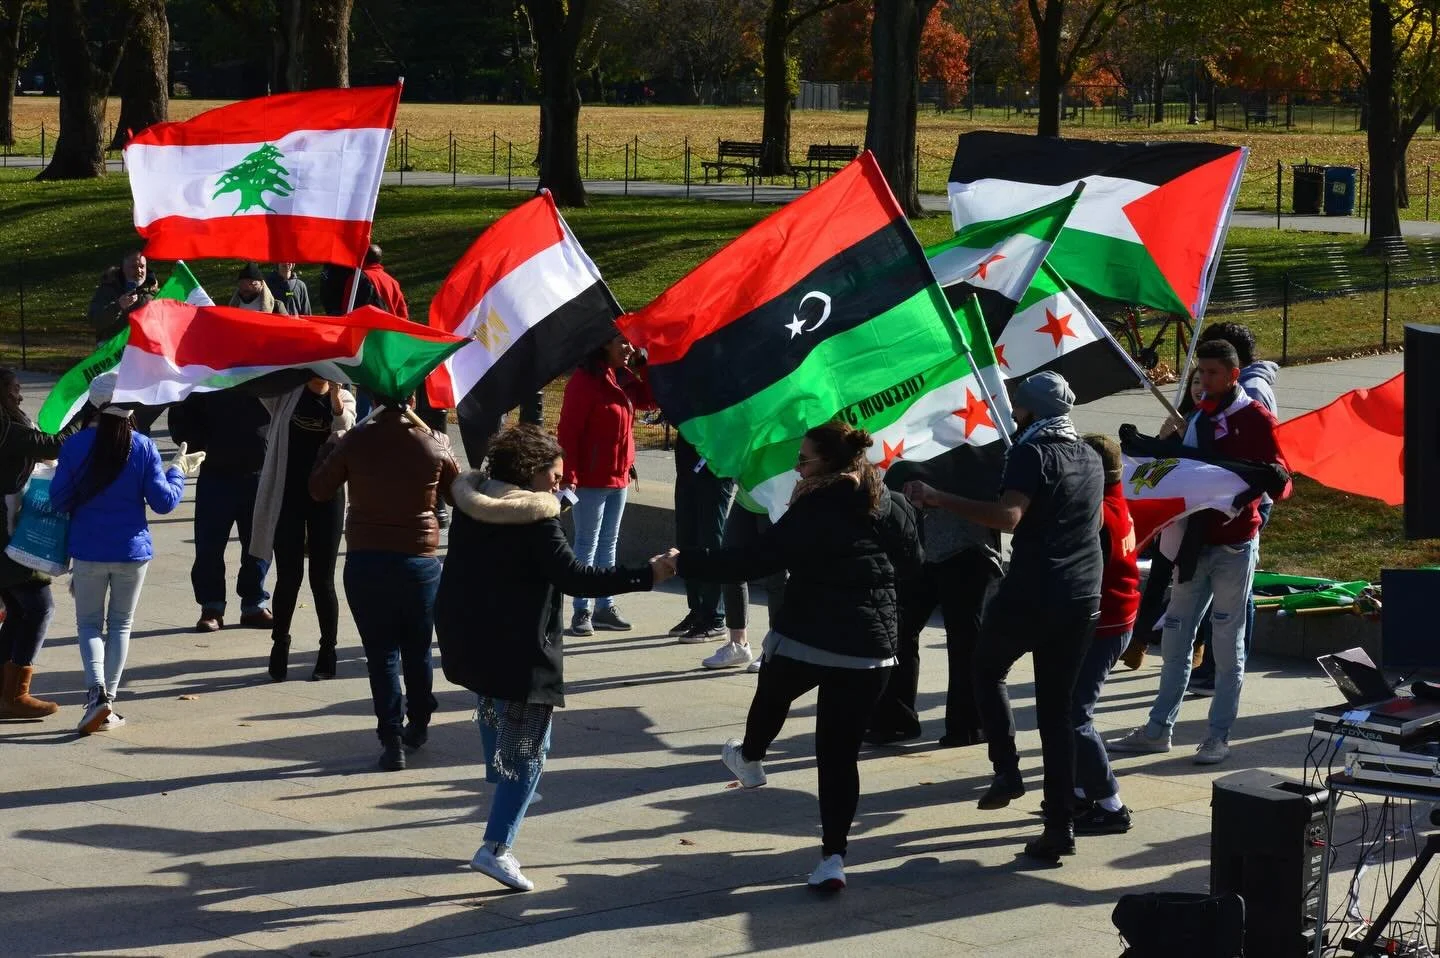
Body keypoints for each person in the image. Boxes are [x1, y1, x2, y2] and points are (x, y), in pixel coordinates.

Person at [671, 421, 922, 891]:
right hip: (871, 649)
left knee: (772, 690)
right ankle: (833, 858)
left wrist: (684, 561)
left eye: (803, 459)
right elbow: (913, 562)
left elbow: (755, 560)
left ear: (826, 463)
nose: (796, 466)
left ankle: (750, 756)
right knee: (838, 755)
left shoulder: (814, 505)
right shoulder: (888, 499)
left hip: (812, 633)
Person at [436, 424, 671, 891]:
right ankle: (497, 847)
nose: (560, 485)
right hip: (520, 646)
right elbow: (577, 577)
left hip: (471, 634)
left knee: (491, 709)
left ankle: (504, 784)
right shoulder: (536, 521)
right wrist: (647, 574)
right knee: (531, 751)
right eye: (556, 476)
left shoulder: (473, 504)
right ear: (532, 473)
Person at [904, 370, 1103, 862]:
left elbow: (1009, 517)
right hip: (1083, 595)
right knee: (1057, 714)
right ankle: (1059, 827)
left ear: (1033, 410)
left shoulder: (1031, 452)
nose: (1013, 411)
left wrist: (937, 497)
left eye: (1018, 405)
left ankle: (1008, 769)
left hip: (1035, 589)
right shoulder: (1090, 455)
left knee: (986, 668)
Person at [1108, 340, 1287, 766]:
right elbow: (1175, 473)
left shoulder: (1254, 417)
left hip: (1233, 547)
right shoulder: (1195, 418)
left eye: (1210, 374)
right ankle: (1158, 729)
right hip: (1190, 545)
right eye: (1198, 374)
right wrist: (1159, 445)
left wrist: (1257, 485)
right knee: (1174, 642)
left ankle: (1217, 735)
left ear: (1232, 375)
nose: (1202, 382)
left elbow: (1282, 480)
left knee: (1227, 646)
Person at [310, 398, 459, 771]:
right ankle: (420, 717)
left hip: (366, 558)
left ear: (373, 400)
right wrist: (444, 450)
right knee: (418, 647)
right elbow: (458, 495)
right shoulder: (433, 439)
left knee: (381, 656)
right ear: (412, 400)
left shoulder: (355, 440)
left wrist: (331, 446)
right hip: (419, 559)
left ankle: (391, 739)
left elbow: (318, 489)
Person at [51, 373, 203, 734]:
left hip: (88, 550)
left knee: (88, 625)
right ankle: (109, 702)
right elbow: (164, 502)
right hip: (132, 551)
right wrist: (178, 471)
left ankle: (96, 694)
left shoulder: (75, 446)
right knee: (120, 625)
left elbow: (59, 499)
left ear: (95, 405)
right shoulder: (144, 446)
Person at [867, 453, 1002, 747]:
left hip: (970, 551)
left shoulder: (985, 436)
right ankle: (895, 719)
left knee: (966, 640)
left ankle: (968, 725)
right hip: (917, 550)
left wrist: (939, 496)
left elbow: (1004, 506)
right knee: (897, 632)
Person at [1185, 321, 1280, 695]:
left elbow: (1265, 460)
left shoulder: (1251, 395)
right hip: (1219, 501)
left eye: (1210, 371)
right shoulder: (1218, 398)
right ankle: (1213, 663)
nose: (1202, 379)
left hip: (1244, 503)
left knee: (1236, 597)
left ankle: (1222, 667)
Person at [250, 379, 356, 682]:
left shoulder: (344, 398)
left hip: (328, 498)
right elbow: (261, 386)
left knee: (323, 580)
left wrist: (335, 398)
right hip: (288, 497)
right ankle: (280, 645)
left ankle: (328, 652)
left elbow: (345, 428)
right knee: (288, 576)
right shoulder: (286, 394)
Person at [0, 368, 87, 720]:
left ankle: (6, 692)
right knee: (38, 605)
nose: (21, 395)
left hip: (6, 523)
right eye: (15, 389)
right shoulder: (5, 428)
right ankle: (15, 694)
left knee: (20, 609)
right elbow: (52, 445)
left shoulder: (9, 424)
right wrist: (84, 411)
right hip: (5, 530)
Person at [556, 333, 654, 637]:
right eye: (622, 342)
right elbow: (568, 432)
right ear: (603, 344)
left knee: (609, 542)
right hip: (590, 479)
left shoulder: (624, 378)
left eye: (631, 343)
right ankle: (581, 610)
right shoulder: (584, 381)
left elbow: (650, 399)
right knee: (587, 543)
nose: (629, 348)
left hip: (619, 476)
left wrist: (644, 366)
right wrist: (568, 477)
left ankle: (604, 606)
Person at [1071, 434, 1139, 836]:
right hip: (1114, 621)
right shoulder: (1113, 500)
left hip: (1105, 625)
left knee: (1075, 714)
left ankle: (1111, 804)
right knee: (1072, 711)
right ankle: (1080, 792)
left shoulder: (1098, 512)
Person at [167, 392, 272, 633]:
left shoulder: (264, 364)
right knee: (209, 545)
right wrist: (202, 443)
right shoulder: (208, 366)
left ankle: (254, 603)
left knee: (258, 545)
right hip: (216, 472)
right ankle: (211, 607)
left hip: (259, 467)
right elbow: (182, 409)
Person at [696, 490, 786, 672]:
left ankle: (776, 649)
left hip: (777, 496)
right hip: (749, 493)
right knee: (729, 564)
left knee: (777, 574)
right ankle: (738, 644)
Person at [670, 435, 734, 643]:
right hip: (689, 464)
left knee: (711, 542)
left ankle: (715, 617)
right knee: (687, 538)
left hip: (716, 467)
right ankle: (697, 610)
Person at [87, 251, 158, 342]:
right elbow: (95, 321)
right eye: (134, 267)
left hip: (143, 351)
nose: (139, 271)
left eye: (142, 266)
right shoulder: (109, 289)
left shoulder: (153, 292)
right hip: (114, 350)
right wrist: (118, 306)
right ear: (123, 268)